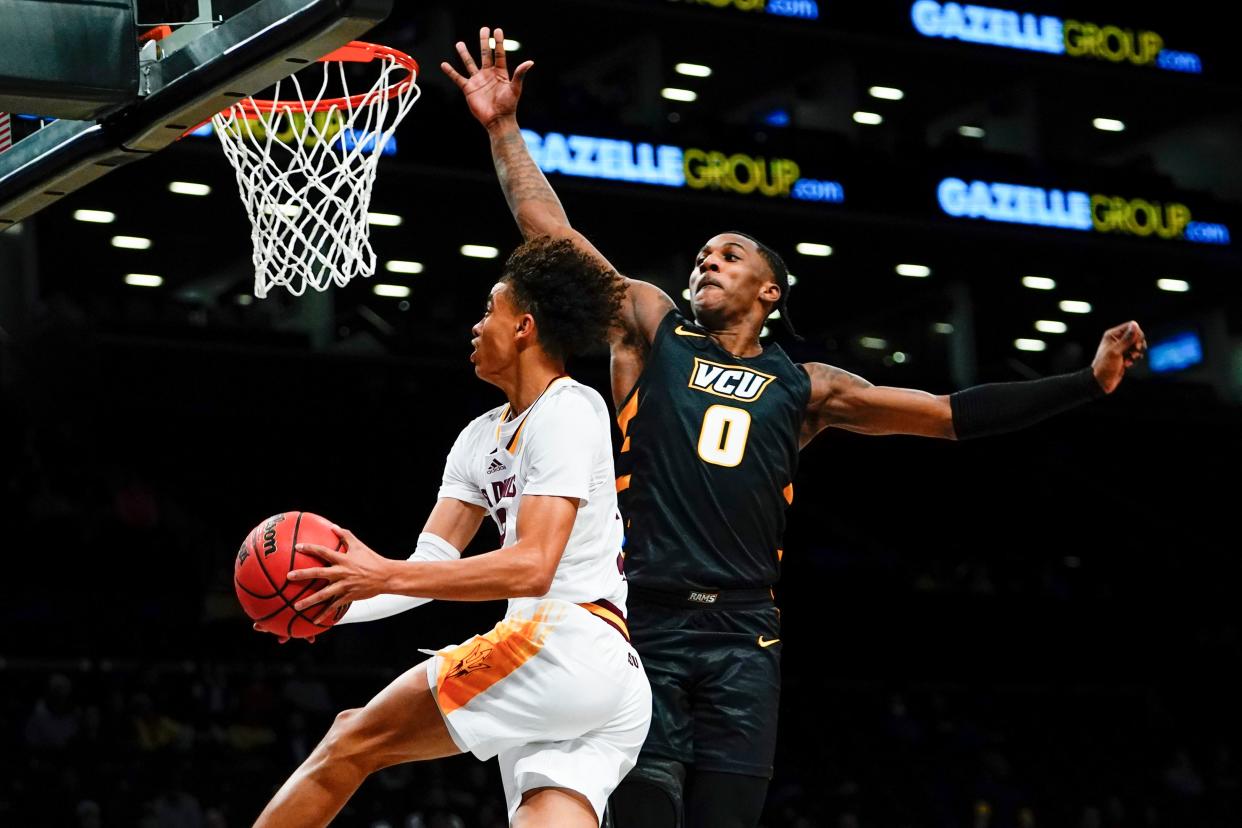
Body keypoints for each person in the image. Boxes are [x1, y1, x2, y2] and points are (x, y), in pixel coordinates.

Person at [443, 28, 1149, 828]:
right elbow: (552, 235)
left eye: (730, 254)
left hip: (747, 631)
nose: (707, 260)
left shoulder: (810, 385)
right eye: (702, 253)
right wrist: (503, 129)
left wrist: (1085, 384)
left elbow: (951, 416)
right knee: (644, 814)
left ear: (770, 291)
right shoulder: (651, 329)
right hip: (645, 617)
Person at [251, 236, 651, 828]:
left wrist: (378, 573)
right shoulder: (477, 439)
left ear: (524, 327)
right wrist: (335, 605)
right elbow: (428, 566)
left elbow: (533, 566)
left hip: (564, 641)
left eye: (489, 310)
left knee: (349, 741)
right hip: (600, 681)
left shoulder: (569, 409)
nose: (475, 325)